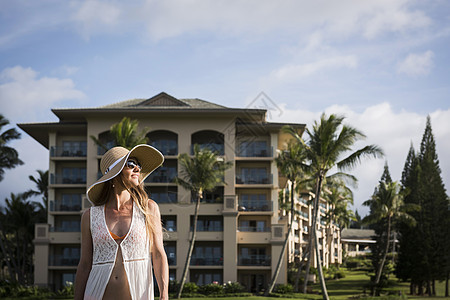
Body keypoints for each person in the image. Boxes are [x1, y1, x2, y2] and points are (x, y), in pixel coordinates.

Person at [74, 144, 168, 300]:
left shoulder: (148, 209)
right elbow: (84, 264)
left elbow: (158, 254)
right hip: (95, 294)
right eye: (131, 164)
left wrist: (164, 295)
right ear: (114, 173)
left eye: (139, 165)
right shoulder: (90, 216)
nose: (137, 169)